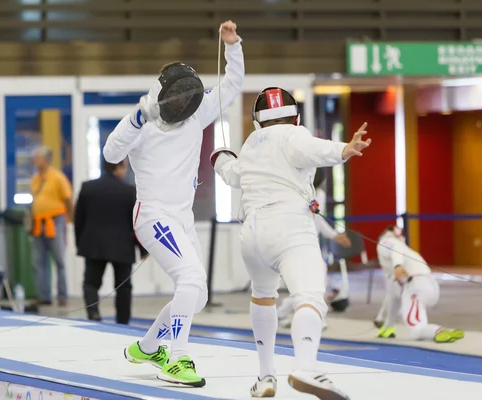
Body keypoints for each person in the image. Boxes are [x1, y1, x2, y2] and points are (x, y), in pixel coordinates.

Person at [103, 20, 244, 388]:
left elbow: (232, 85)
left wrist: (232, 46)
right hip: (152, 216)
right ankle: (177, 357)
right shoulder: (143, 118)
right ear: (166, 95)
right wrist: (136, 117)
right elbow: (110, 151)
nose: (183, 105)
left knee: (196, 297)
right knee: (191, 277)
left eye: (188, 99)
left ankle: (149, 347)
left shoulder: (197, 113)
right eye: (177, 98)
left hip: (182, 218)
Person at [210, 87, 370, 399]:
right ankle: (305, 367)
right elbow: (313, 148)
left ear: (257, 122)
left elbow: (231, 173)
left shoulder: (250, 144)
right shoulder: (294, 135)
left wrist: (219, 158)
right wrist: (345, 149)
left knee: (263, 296)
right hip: (289, 227)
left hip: (252, 235)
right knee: (309, 298)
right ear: (295, 118)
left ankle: (266, 376)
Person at [277, 169, 352, 329]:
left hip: (303, 243)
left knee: (310, 283)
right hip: (299, 243)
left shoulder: (311, 193)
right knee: (312, 282)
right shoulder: (304, 192)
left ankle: (286, 313)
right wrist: (333, 235)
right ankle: (304, 315)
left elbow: (315, 218)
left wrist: (334, 235)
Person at [75, 159, 144, 324]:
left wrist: (81, 244)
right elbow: (137, 223)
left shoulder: (88, 188)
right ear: (118, 167)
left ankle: (93, 314)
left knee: (91, 283)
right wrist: (143, 249)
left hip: (94, 244)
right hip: (122, 246)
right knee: (123, 287)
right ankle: (123, 321)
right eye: (125, 168)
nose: (125, 171)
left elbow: (79, 219)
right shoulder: (129, 191)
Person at [375, 225, 465, 343]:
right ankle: (438, 331)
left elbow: (394, 248)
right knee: (417, 323)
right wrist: (387, 326)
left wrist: (397, 265)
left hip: (415, 287)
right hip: (429, 286)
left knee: (416, 331)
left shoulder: (386, 241)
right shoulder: (406, 250)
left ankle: (438, 331)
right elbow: (393, 296)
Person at [30, 146, 72, 307]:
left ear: (46, 160)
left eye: (37, 158)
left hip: (55, 221)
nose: (35, 161)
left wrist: (70, 220)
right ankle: (44, 296)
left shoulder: (58, 177)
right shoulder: (35, 179)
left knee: (59, 260)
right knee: (39, 261)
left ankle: (62, 295)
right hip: (38, 223)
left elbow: (68, 200)